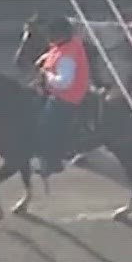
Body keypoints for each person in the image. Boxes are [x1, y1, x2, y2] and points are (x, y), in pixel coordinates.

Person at [33, 17, 89, 176]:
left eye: (50, 34)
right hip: (68, 91)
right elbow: (54, 52)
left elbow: (64, 82)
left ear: (60, 34)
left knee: (46, 126)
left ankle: (51, 162)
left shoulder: (67, 58)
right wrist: (44, 58)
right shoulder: (70, 43)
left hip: (67, 97)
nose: (48, 38)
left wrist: (47, 75)